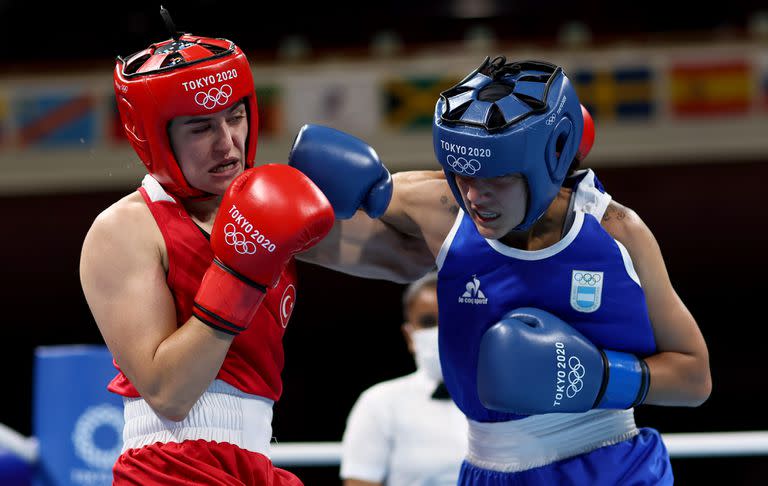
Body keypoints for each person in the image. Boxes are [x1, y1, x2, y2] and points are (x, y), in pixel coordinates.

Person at [289, 56, 712, 484]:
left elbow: (695, 379)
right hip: (488, 469)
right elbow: (304, 237)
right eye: (461, 174)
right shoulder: (442, 207)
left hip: (610, 466)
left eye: (497, 178)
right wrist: (266, 207)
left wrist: (599, 377)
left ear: (550, 159)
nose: (475, 196)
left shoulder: (618, 234)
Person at [79, 10, 337, 484]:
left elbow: (404, 260)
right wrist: (239, 276)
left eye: (235, 117)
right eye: (200, 128)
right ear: (153, 135)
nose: (227, 143)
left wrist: (378, 193)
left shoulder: (269, 211)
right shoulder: (125, 228)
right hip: (171, 465)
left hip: (255, 461)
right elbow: (168, 393)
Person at [340, 272, 467, 486]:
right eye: (428, 322)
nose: (442, 330)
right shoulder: (379, 402)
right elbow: (360, 482)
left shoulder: (509, 399)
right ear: (410, 336)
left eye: (452, 318)